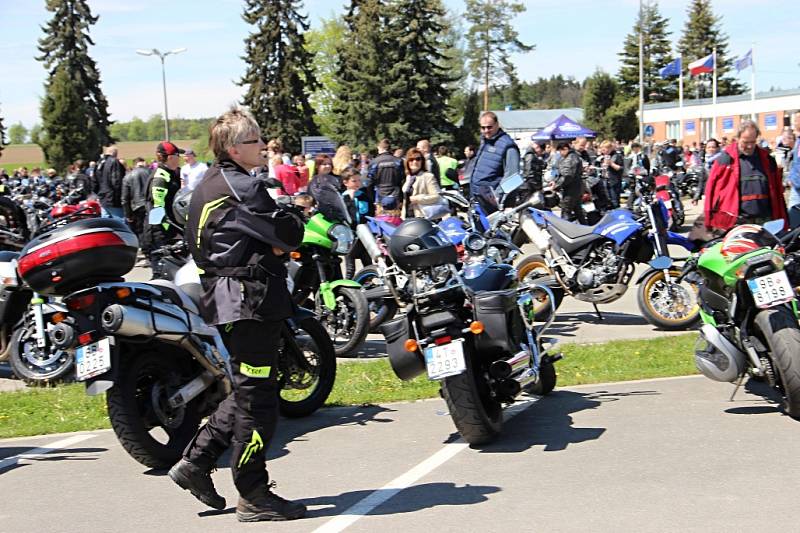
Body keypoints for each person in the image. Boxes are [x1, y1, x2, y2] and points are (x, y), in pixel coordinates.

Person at [169, 105, 306, 522]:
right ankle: (254, 494)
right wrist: (287, 226)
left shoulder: (212, 179)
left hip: (233, 298)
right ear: (232, 147)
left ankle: (196, 461)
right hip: (248, 299)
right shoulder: (243, 186)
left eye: (261, 138)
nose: (263, 146)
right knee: (258, 401)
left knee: (250, 388)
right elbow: (288, 234)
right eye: (255, 140)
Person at [703, 120, 787, 233]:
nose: (749, 146)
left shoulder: (767, 160)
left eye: (753, 142)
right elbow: (711, 190)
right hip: (737, 223)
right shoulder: (725, 160)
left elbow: (777, 192)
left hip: (765, 222)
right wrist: (709, 220)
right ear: (737, 138)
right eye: (745, 142)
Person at [468, 111, 520, 212]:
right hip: (478, 200)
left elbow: (514, 177)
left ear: (497, 125)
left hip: (494, 205)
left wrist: (496, 197)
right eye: (483, 128)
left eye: (489, 127)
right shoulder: (485, 142)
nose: (486, 131)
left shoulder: (508, 146)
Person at [144, 141, 184, 269]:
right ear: (171, 157)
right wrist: (172, 230)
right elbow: (158, 209)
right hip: (159, 233)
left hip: (168, 230)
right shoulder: (160, 178)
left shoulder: (170, 173)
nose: (180, 159)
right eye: (179, 155)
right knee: (163, 272)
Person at [341, 168, 372, 278]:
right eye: (354, 181)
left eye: (359, 180)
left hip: (363, 232)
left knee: (367, 260)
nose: (358, 183)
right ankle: (348, 283)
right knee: (350, 262)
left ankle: (369, 280)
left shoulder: (363, 195)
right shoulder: (343, 197)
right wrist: (350, 199)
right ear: (346, 182)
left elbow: (370, 212)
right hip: (349, 234)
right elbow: (346, 215)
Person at [402, 147, 443, 219]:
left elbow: (436, 196)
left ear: (422, 161)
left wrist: (417, 199)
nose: (414, 162)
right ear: (407, 162)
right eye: (411, 159)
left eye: (418, 159)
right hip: (407, 216)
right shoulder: (408, 177)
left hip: (422, 216)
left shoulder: (428, 176)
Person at [551, 140, 585, 224]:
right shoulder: (571, 157)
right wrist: (555, 181)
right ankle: (585, 227)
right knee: (578, 211)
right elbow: (559, 171)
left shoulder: (570, 159)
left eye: (561, 151)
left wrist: (556, 186)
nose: (560, 153)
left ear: (565, 149)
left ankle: (565, 229)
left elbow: (567, 176)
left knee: (566, 210)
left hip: (571, 189)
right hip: (575, 188)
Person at [367, 138, 404, 215]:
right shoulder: (398, 161)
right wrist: (401, 198)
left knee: (381, 219)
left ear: (379, 148)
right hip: (395, 194)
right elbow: (402, 179)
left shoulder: (374, 162)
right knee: (395, 219)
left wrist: (371, 198)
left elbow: (370, 182)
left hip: (380, 195)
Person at [121, 157, 150, 244]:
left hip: (137, 206)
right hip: (150, 204)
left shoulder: (128, 176)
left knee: (140, 229)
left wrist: (128, 214)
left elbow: (125, 198)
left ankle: (144, 249)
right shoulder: (151, 172)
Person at [94, 147, 126, 216]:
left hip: (102, 197)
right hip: (113, 199)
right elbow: (116, 181)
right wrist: (120, 196)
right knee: (119, 224)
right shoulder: (114, 161)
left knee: (105, 223)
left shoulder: (99, 163)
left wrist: (99, 194)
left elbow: (94, 181)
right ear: (114, 153)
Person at [692, 139, 722, 205]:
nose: (711, 149)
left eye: (713, 147)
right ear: (705, 149)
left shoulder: (722, 161)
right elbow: (701, 181)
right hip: (709, 194)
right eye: (709, 147)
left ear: (717, 148)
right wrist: (696, 197)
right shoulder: (705, 164)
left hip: (721, 195)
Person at [599, 140, 624, 208]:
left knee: (614, 201)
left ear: (610, 148)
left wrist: (611, 163)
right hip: (604, 180)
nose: (604, 150)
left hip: (614, 181)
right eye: (602, 148)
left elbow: (621, 168)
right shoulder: (602, 157)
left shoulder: (616, 156)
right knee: (607, 201)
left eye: (605, 148)